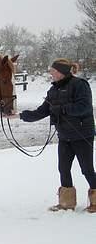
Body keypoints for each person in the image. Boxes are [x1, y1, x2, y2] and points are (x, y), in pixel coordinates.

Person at [7, 58, 95, 213]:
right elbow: (41, 112)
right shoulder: (53, 90)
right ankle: (66, 203)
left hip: (82, 135)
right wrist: (19, 116)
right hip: (64, 136)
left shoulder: (80, 85)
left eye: (53, 71)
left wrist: (62, 109)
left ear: (62, 72)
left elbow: (84, 107)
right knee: (63, 168)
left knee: (86, 169)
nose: (51, 74)